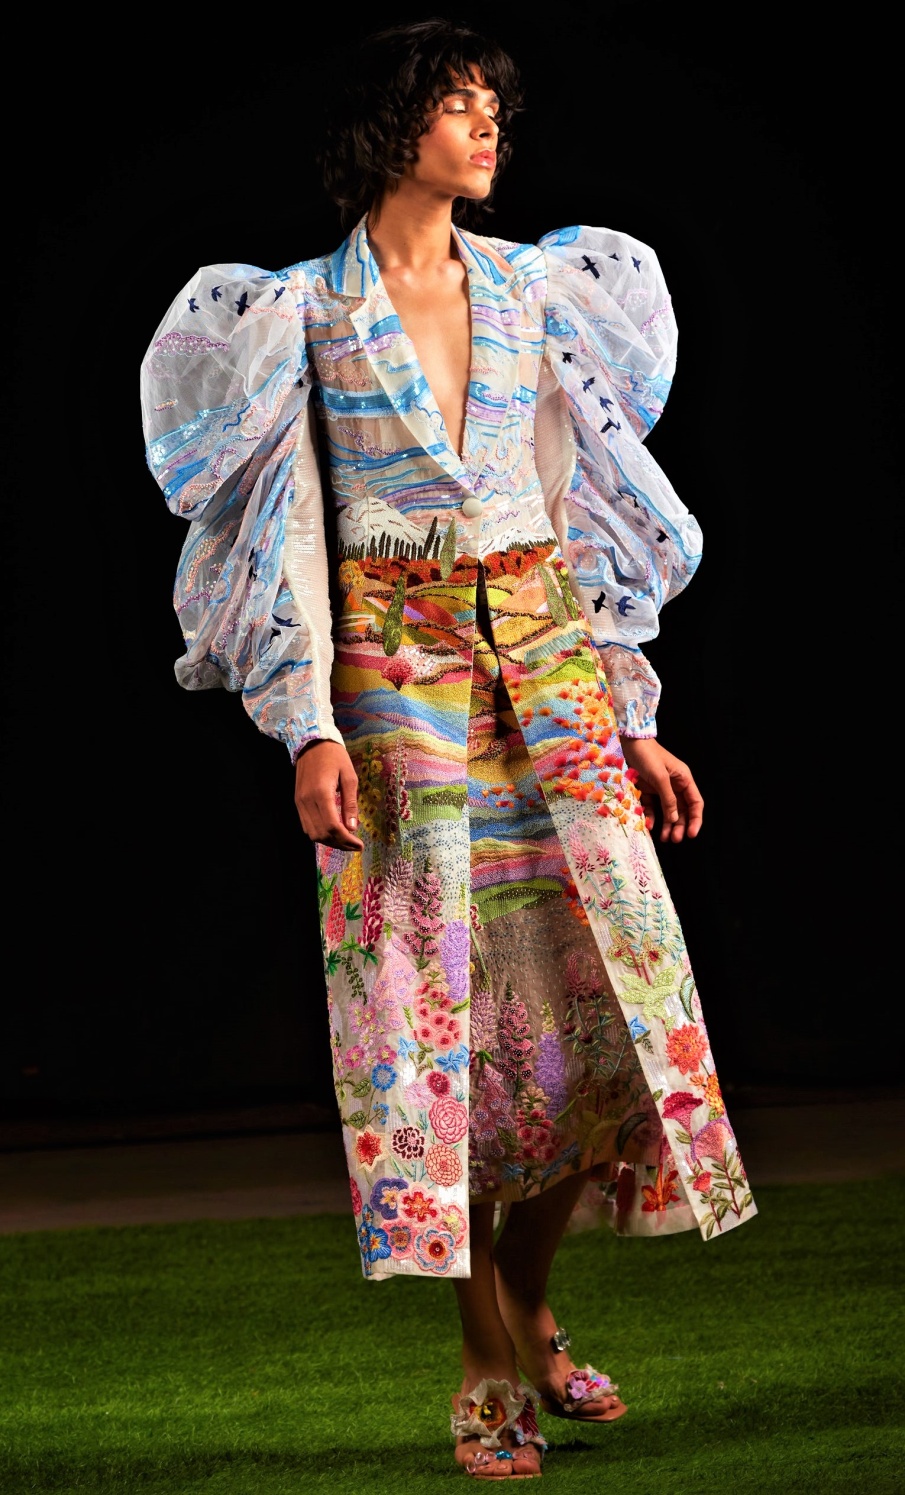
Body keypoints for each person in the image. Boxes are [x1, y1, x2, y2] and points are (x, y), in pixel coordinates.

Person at [140, 18, 756, 1479]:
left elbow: (574, 496)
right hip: (394, 681)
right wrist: (306, 726)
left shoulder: (541, 288)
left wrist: (632, 712)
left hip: (550, 667)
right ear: (390, 126)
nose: (486, 127)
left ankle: (530, 1302)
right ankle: (485, 1355)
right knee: (431, 1021)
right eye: (457, 104)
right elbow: (288, 528)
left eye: (493, 105)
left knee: (607, 994)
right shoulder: (300, 312)